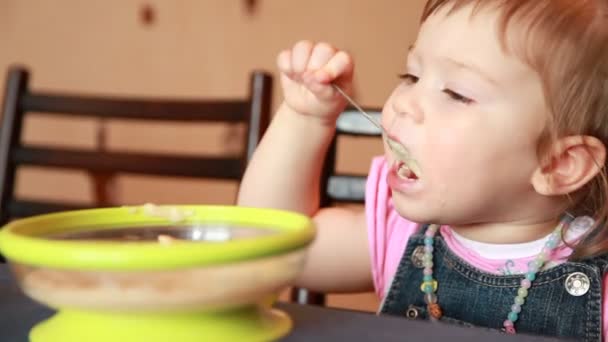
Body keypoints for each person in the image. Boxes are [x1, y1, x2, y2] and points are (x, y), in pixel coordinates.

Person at [237, 0, 608, 340]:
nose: (403, 104)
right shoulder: (402, 236)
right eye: (411, 76)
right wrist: (306, 117)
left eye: (457, 93)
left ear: (559, 164)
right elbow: (267, 244)